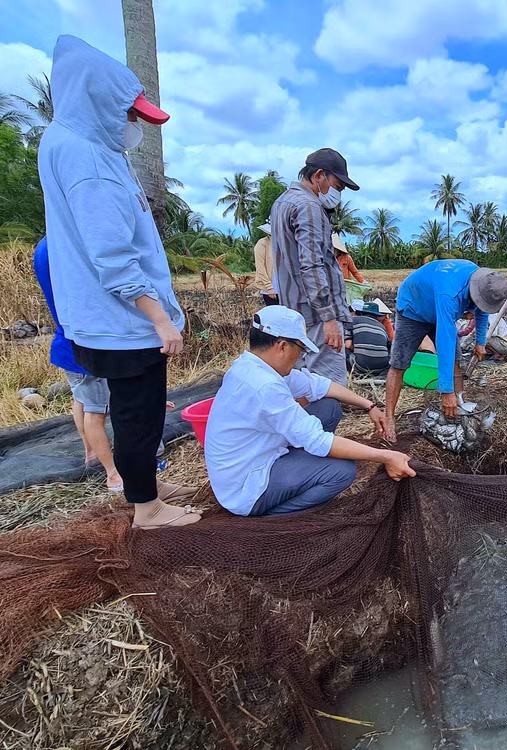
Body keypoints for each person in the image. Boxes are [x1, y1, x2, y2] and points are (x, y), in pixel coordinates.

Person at [37, 35, 198, 529]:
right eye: (131, 114)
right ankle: (147, 509)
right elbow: (113, 256)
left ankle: (143, 485)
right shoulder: (90, 162)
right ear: (100, 104)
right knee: (137, 415)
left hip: (101, 320)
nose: (134, 125)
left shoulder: (67, 142)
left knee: (140, 411)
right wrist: (159, 319)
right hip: (124, 323)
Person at [205, 306, 414, 516]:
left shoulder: (254, 366)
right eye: (300, 349)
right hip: (246, 486)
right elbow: (318, 441)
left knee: (328, 407)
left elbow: (318, 385)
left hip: (254, 459)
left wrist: (369, 405)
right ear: (282, 346)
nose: (300, 356)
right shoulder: (264, 385)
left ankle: (298, 470)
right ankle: (275, 518)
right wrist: (386, 456)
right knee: (341, 472)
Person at [383, 260, 507, 443]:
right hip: (414, 307)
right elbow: (445, 340)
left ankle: (459, 405)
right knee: (399, 364)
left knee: (456, 361)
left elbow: (481, 310)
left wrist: (480, 342)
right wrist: (446, 391)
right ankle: (389, 417)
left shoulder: (483, 282)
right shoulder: (449, 293)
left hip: (441, 308)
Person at [32, 236, 122, 492]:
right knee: (96, 411)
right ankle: (113, 473)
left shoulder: (44, 246)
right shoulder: (68, 244)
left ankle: (91, 452)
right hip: (85, 347)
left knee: (81, 400)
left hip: (66, 343)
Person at [271, 148, 358, 386]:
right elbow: (311, 264)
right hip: (315, 314)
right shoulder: (309, 206)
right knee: (326, 384)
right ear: (319, 175)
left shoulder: (282, 202)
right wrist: (328, 317)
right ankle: (323, 424)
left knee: (300, 379)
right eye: (337, 186)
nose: (337, 193)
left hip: (293, 308)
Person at [345, 301, 391, 376]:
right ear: (376, 316)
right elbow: (389, 347)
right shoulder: (382, 326)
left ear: (361, 312)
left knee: (339, 348)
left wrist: (357, 348)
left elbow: (348, 345)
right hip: (382, 368)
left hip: (360, 367)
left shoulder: (352, 321)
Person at [253, 223, 278, 306]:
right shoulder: (262, 243)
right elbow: (260, 267)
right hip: (270, 288)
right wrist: (269, 288)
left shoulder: (284, 243)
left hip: (284, 288)